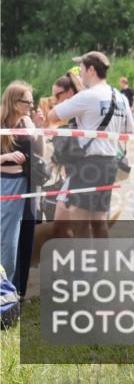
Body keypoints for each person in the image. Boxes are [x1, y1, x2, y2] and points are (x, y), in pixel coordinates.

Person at [48, 51, 134, 239]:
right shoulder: (120, 97)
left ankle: (83, 267)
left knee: (79, 222)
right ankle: (100, 266)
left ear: (91, 70)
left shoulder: (87, 96)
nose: (80, 74)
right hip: (110, 163)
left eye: (81, 70)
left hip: (88, 164)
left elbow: (52, 116)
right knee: (99, 221)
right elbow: (129, 130)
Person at [1, 82, 43, 293]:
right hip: (8, 185)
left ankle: (19, 292)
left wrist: (38, 129)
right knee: (8, 241)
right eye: (27, 101)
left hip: (29, 184)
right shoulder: (1, 123)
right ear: (14, 102)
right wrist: (6, 157)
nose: (30, 105)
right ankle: (4, 291)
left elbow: (40, 152)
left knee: (26, 237)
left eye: (32, 101)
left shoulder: (27, 121)